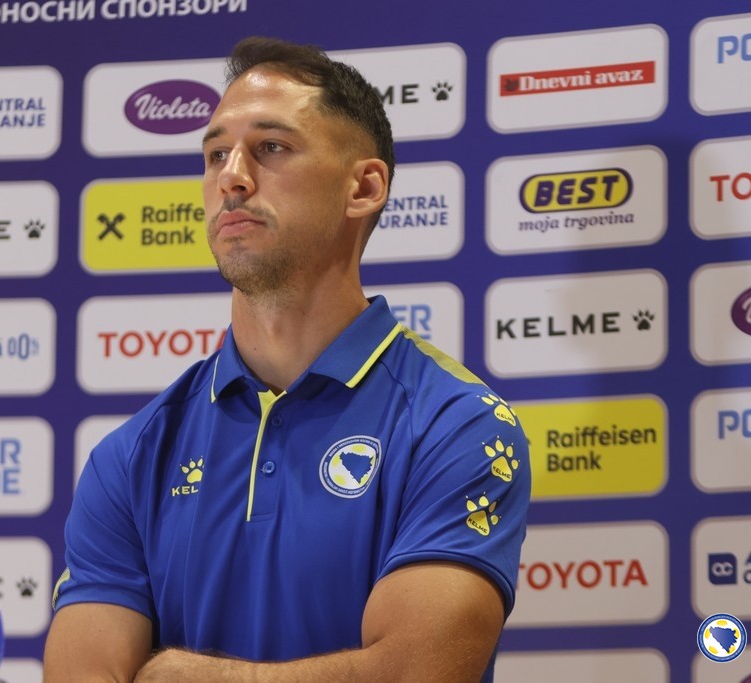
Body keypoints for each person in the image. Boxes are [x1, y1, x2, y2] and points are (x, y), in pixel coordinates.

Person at [45, 36, 530, 682]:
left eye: (271, 148)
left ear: (364, 187)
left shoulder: (458, 424)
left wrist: (202, 678)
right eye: (216, 153)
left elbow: (417, 671)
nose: (232, 177)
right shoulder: (132, 455)